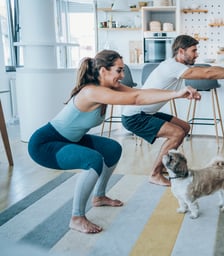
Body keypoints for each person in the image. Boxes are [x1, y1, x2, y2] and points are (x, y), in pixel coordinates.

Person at [27, 49, 200, 234]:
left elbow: (140, 93)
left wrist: (178, 92)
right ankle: (77, 217)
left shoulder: (108, 88)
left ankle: (99, 196)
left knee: (112, 149)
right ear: (103, 70)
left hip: (70, 139)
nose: (123, 75)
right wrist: (176, 94)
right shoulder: (91, 91)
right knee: (92, 160)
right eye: (119, 70)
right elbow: (136, 99)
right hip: (45, 144)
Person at [121, 34, 224, 187]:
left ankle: (163, 167)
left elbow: (163, 89)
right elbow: (209, 73)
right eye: (194, 51)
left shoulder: (175, 65)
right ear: (181, 51)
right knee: (176, 133)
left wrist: (185, 94)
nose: (197, 54)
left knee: (184, 127)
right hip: (135, 116)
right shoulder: (173, 66)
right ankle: (154, 174)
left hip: (146, 112)